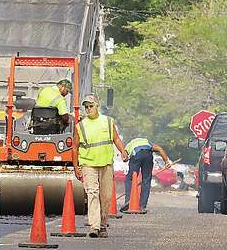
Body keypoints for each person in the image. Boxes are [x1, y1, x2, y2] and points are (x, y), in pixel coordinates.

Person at [74, 94, 127, 237]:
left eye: (91, 106)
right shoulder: (81, 125)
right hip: (88, 164)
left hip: (106, 164)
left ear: (97, 106)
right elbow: (75, 147)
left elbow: (116, 138)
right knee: (92, 193)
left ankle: (103, 225)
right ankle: (94, 226)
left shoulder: (108, 122)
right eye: (86, 107)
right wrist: (75, 167)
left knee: (106, 196)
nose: (88, 109)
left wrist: (123, 151)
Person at [122, 137, 173, 210]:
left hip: (136, 155)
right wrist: (166, 162)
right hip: (148, 155)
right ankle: (142, 205)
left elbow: (124, 157)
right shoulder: (147, 142)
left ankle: (128, 201)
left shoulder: (129, 145)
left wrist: (126, 159)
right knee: (146, 180)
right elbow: (160, 149)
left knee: (130, 179)